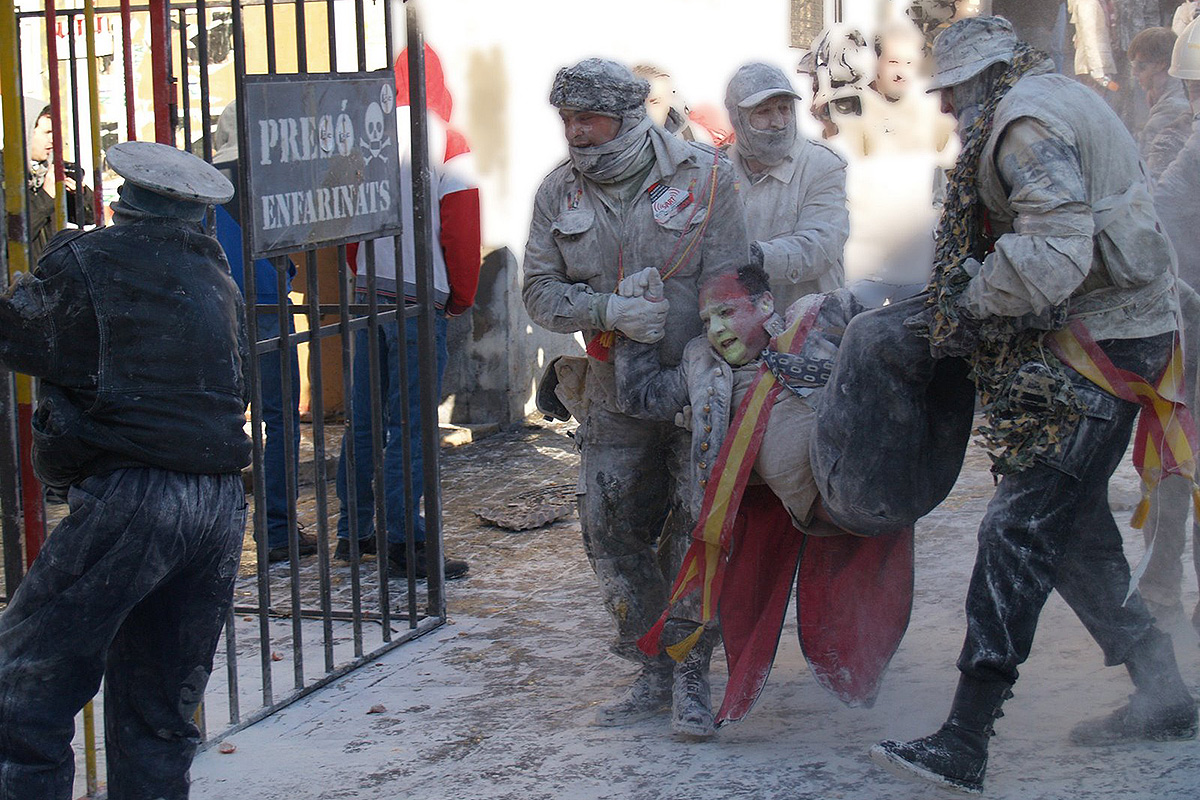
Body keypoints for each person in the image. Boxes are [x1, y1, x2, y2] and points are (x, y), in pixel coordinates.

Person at [852, 18, 1197, 794]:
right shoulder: (1047, 95)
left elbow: (1053, 253)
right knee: (1072, 527)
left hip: (1105, 341)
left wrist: (966, 304)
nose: (945, 113)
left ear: (978, 84)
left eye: (950, 96)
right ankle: (1164, 691)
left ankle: (966, 738)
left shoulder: (1022, 127)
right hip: (1130, 327)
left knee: (1018, 525)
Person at [0, 141, 250, 798]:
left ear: (123, 200)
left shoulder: (89, 261)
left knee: (24, 687)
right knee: (158, 715)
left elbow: (19, 337)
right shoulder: (217, 279)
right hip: (220, 504)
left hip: (135, 499)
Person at [522, 58, 749, 730]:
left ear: (628, 117)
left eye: (587, 118)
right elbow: (538, 291)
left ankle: (692, 675)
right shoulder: (557, 193)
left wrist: (709, 373)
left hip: (692, 390)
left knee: (694, 530)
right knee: (608, 529)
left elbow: (737, 288)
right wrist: (607, 310)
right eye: (566, 119)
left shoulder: (707, 179)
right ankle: (651, 666)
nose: (575, 132)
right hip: (609, 391)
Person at [614, 266, 913, 736]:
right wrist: (638, 324)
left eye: (727, 312)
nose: (716, 329)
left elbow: (876, 329)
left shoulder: (813, 326)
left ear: (765, 306)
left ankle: (861, 671)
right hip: (741, 511)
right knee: (712, 595)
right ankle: (690, 684)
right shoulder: (699, 359)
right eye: (707, 318)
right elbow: (642, 397)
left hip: (834, 499)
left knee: (854, 593)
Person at [333, 55, 480, 580]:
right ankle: (404, 542)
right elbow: (461, 230)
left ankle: (354, 533)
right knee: (413, 426)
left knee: (367, 420)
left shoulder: (360, 136)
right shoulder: (447, 140)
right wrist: (460, 295)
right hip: (421, 299)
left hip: (368, 294)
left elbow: (348, 222)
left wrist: (362, 270)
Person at [211, 102, 314, 564]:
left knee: (219, 421)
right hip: (268, 305)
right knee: (279, 422)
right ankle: (275, 530)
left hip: (215, 312)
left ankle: (215, 529)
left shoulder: (203, 189)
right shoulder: (275, 180)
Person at [1140, 16, 1200, 634]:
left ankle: (1159, 594)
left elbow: (1154, 214)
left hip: (1192, 327)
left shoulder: (1192, 144)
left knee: (1178, 456)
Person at [724, 62, 849, 311]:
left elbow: (820, 246)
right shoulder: (718, 170)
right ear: (738, 118)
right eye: (763, 112)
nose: (778, 122)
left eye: (784, 109)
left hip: (811, 322)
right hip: (739, 324)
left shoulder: (821, 164)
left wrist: (755, 256)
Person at [25, 104, 95, 266]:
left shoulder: (53, 168)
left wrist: (80, 194)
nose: (52, 139)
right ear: (26, 133)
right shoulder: (5, 173)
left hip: (51, 276)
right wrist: (47, 196)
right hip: (14, 280)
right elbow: (11, 234)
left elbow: (89, 218)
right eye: (47, 132)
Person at [1127, 27, 1192, 182]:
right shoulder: (1181, 96)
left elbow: (1148, 179)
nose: (1134, 73)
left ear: (1161, 65)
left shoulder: (1169, 113)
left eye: (1140, 66)